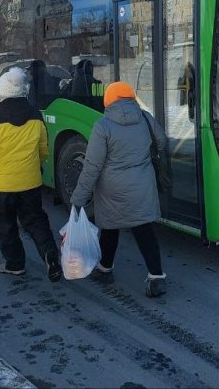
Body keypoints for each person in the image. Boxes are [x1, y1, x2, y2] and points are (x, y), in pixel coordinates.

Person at [69, 82, 168, 298]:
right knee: (144, 230)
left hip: (112, 188)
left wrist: (78, 199)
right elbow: (161, 140)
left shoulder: (103, 126)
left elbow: (92, 166)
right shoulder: (144, 118)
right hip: (142, 185)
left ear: (108, 100)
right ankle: (156, 277)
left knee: (110, 227)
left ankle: (105, 269)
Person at [0, 67, 61, 280]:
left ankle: (15, 264)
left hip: (1, 185)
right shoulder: (36, 114)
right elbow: (43, 148)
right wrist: (35, 166)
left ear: (2, 91)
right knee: (35, 221)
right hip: (30, 181)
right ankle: (50, 254)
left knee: (5, 226)